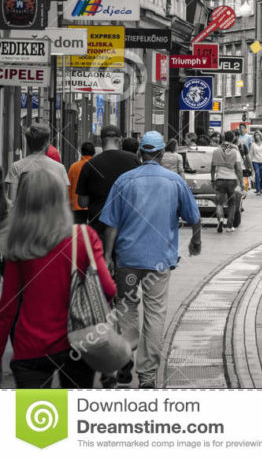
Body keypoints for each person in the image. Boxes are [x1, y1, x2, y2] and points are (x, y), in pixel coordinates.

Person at [100, 131, 200, 389]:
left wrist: (107, 257)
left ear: (140, 153)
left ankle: (125, 359)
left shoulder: (124, 181)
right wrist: (195, 240)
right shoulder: (174, 181)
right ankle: (147, 376)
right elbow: (194, 216)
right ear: (161, 153)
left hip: (128, 260)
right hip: (159, 262)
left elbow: (110, 224)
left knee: (127, 307)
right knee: (155, 314)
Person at [0, 171, 116, 388]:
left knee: (37, 419)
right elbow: (108, 289)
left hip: (30, 347)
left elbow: (7, 308)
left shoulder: (18, 243)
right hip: (77, 342)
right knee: (72, 417)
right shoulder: (83, 236)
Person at [2, 123, 71, 246]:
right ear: (47, 143)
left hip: (24, 228)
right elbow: (64, 200)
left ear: (27, 142)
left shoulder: (17, 167)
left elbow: (12, 201)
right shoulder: (59, 168)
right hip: (52, 228)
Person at [76, 125, 140, 229]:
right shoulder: (133, 160)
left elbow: (83, 203)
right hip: (127, 223)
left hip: (98, 224)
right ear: (120, 140)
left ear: (101, 141)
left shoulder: (89, 165)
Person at [211, 130, 245, 233]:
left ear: (224, 138)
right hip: (232, 180)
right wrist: (241, 182)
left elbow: (212, 167)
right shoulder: (235, 151)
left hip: (220, 179)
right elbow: (238, 169)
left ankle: (220, 220)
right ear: (233, 138)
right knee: (232, 203)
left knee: (219, 203)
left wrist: (212, 179)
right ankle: (229, 226)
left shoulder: (217, 150)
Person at [67, 141, 96, 213]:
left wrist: (69, 204)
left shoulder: (73, 167)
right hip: (92, 207)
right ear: (93, 153)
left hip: (76, 207)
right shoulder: (96, 166)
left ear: (81, 152)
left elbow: (69, 188)